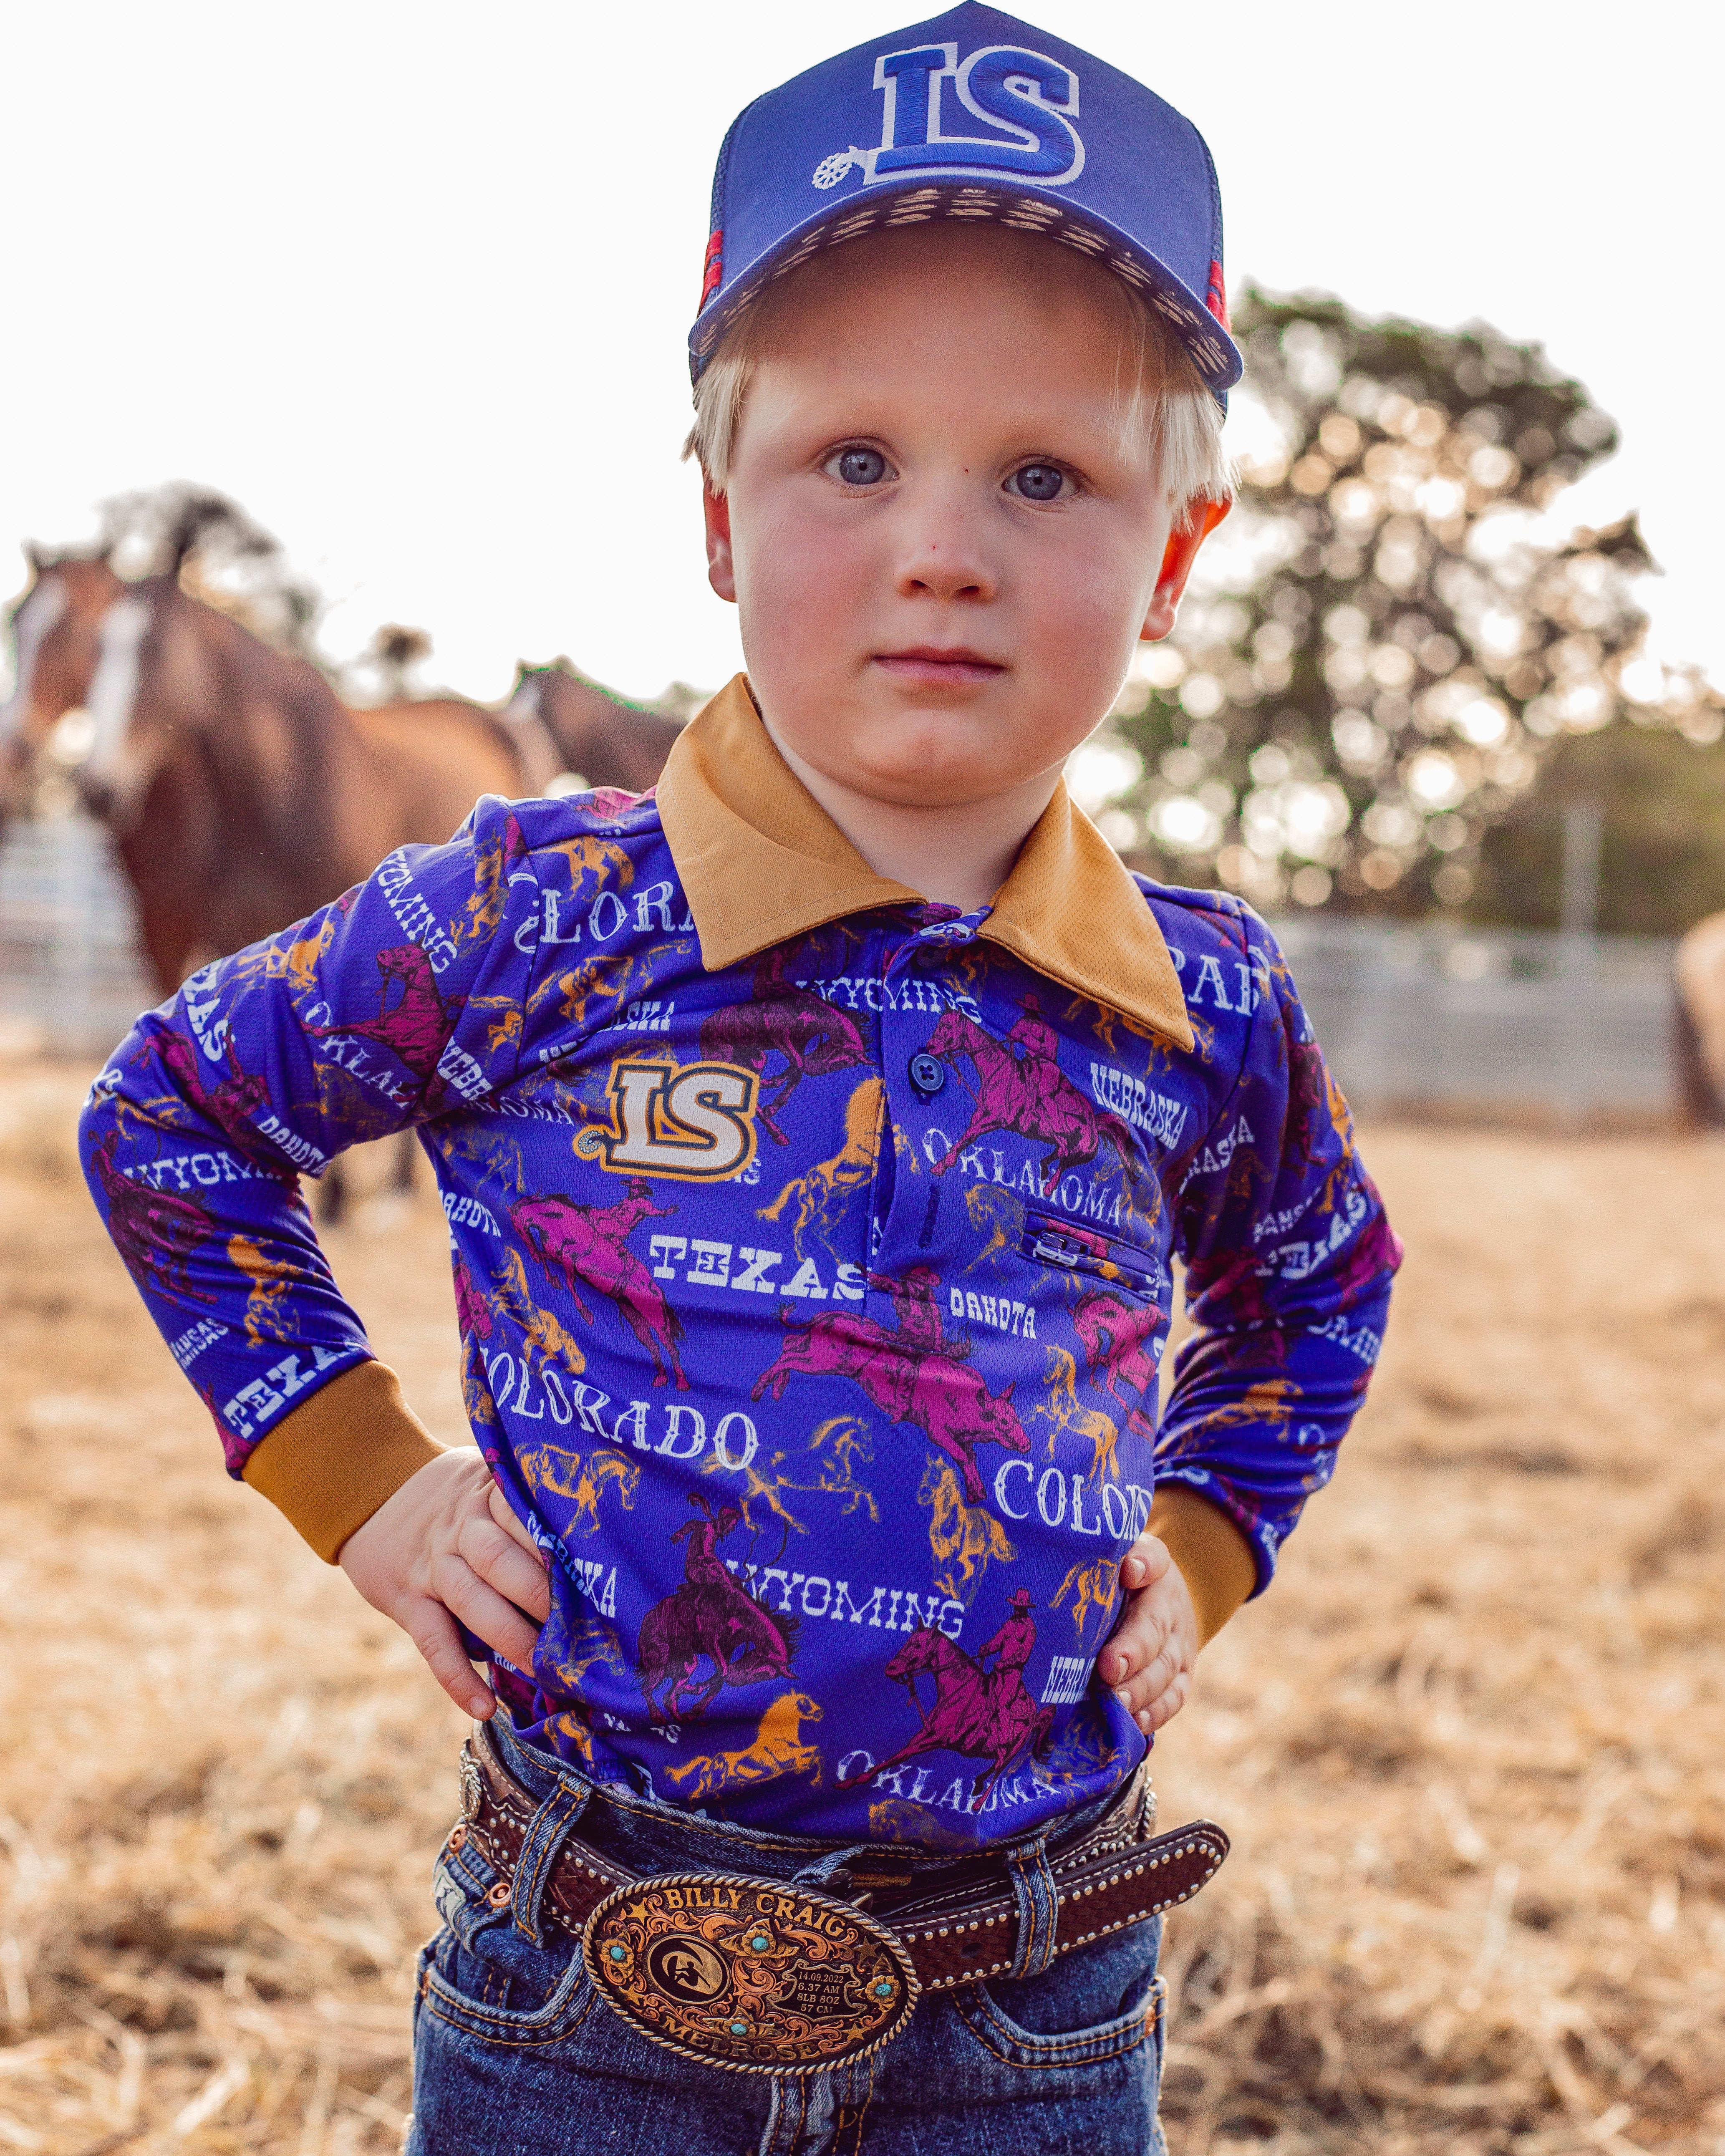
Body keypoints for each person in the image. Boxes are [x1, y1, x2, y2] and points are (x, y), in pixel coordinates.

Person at [80, 7, 1400, 2149]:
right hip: (586, 1985)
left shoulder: (1201, 998)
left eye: (1043, 475)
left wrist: (1209, 1529)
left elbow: (1317, 1282)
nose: (941, 545)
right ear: (716, 515)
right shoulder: (522, 915)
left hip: (1037, 2000)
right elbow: (169, 1120)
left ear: (1169, 559)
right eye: (853, 459)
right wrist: (365, 1482)